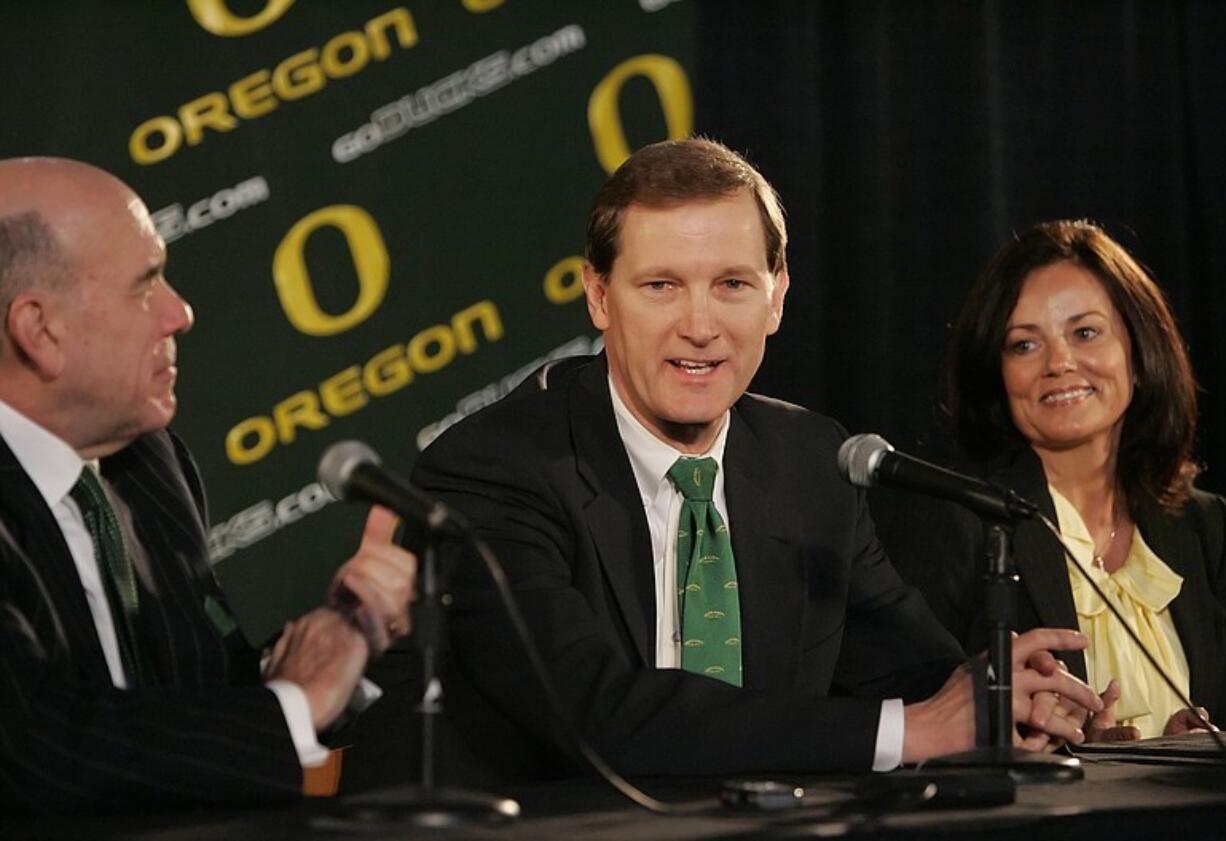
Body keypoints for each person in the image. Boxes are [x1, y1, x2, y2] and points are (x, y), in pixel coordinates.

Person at [410, 138, 1100, 780]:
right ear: (598, 295)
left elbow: (916, 672)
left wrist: (1013, 705)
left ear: (777, 297)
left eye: (732, 285)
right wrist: (907, 732)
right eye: (662, 286)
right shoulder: (493, 467)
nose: (701, 326)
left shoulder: (812, 462)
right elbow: (594, 710)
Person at [0, 157, 418, 812]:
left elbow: (194, 697)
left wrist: (339, 644)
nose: (181, 313)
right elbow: (34, 750)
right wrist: (293, 704)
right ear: (40, 330)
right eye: (145, 286)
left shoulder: (147, 465)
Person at [889, 219, 1225, 741]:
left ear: (1138, 355)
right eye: (1024, 345)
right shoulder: (956, 518)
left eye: (1085, 333)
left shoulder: (1205, 526)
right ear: (997, 376)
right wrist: (1072, 760)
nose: (1060, 363)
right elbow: (905, 722)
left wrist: (1197, 745)